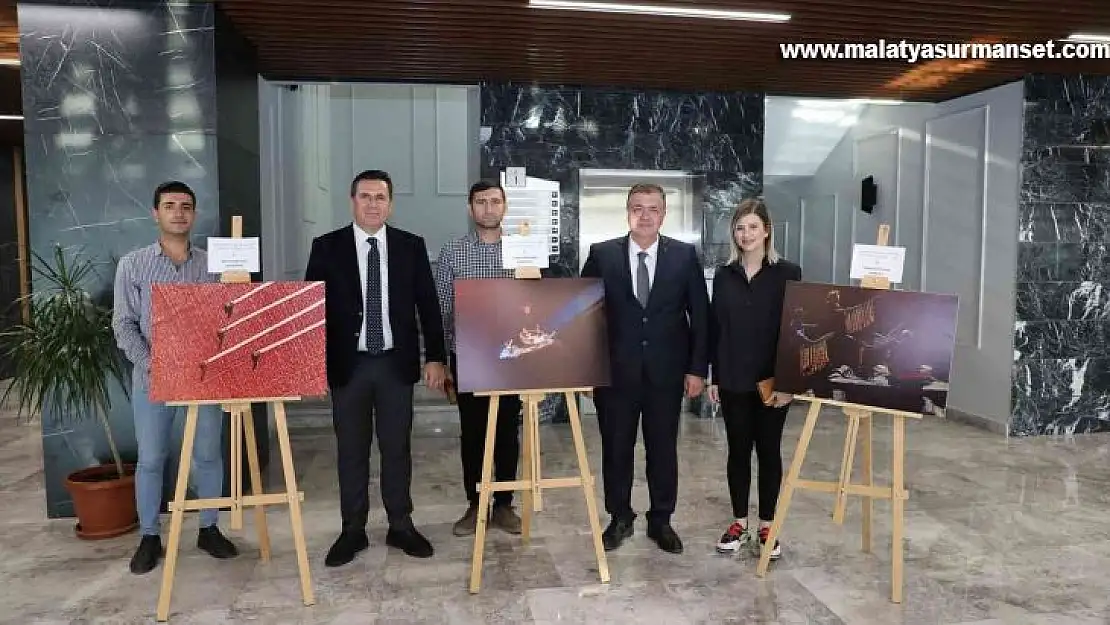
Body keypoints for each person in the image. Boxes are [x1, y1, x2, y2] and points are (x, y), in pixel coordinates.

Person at [305, 169, 448, 566]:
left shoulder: (409, 246)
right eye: (365, 196)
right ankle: (352, 530)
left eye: (380, 197)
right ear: (352, 201)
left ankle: (401, 524)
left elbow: (429, 305)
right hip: (347, 366)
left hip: (393, 365)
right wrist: (310, 366)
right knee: (351, 451)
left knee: (396, 448)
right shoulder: (326, 247)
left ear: (391, 203)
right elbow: (311, 312)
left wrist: (435, 356)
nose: (372, 204)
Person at [112, 180, 239, 575]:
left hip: (204, 378)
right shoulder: (133, 264)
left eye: (186, 206)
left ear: (194, 214)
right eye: (170, 205)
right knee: (151, 459)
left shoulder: (212, 264)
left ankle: (209, 527)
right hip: (153, 378)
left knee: (208, 454)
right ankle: (150, 535)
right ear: (156, 213)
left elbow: (228, 317)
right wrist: (155, 365)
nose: (179, 212)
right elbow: (124, 324)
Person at [580, 182, 710, 554]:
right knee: (616, 448)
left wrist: (697, 369)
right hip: (614, 374)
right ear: (628, 212)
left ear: (663, 214)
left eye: (653, 208)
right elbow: (587, 315)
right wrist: (589, 369)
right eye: (638, 207)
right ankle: (619, 517)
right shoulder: (602, 255)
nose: (645, 215)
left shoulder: (684, 256)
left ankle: (661, 520)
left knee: (662, 448)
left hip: (666, 374)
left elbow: (699, 316)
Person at [706, 197, 801, 561]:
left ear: (767, 231)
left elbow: (795, 331)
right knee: (738, 452)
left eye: (753, 227)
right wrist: (714, 375)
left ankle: (766, 526)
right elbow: (717, 328)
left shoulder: (787, 272)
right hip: (731, 378)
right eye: (740, 227)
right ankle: (739, 523)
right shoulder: (724, 274)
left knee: (769, 452)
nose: (745, 234)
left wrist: (789, 382)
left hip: (771, 382)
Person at [433, 180, 524, 537]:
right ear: (471, 209)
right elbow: (441, 308)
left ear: (505, 207)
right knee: (472, 432)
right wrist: (439, 359)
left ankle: (503, 505)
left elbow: (535, 303)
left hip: (511, 358)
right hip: (467, 356)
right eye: (481, 202)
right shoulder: (453, 252)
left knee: (506, 431)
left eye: (495, 201)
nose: (488, 208)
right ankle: (475, 503)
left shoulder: (521, 251)